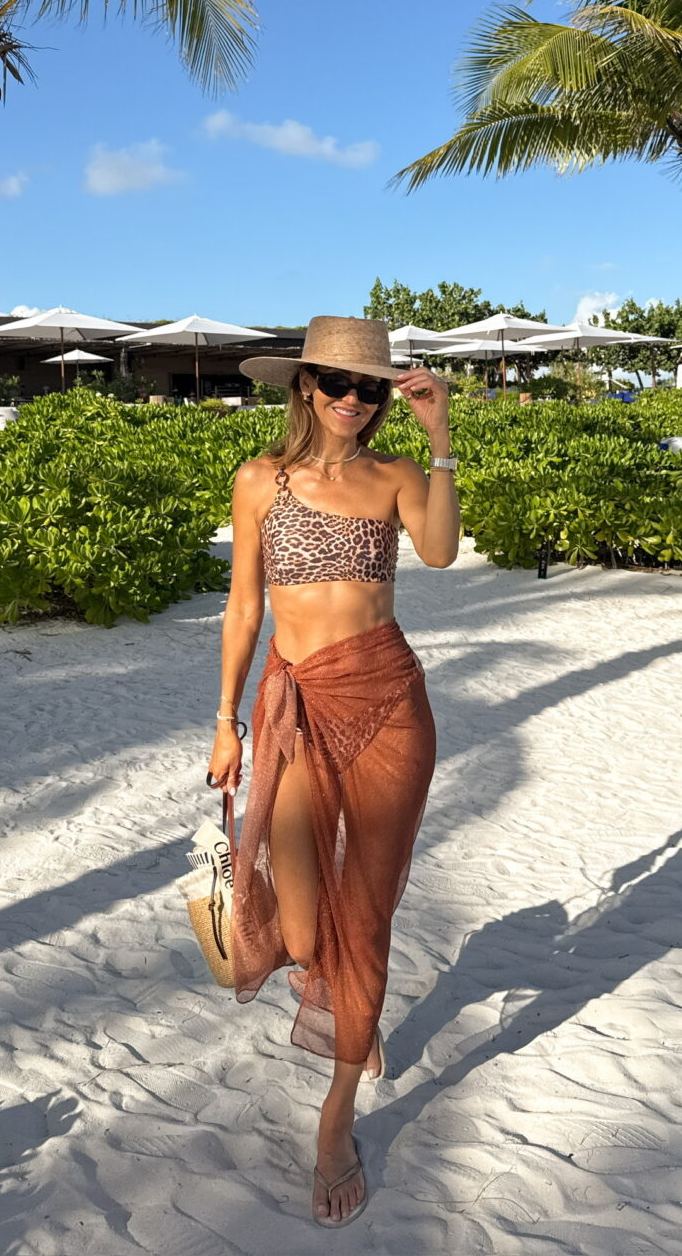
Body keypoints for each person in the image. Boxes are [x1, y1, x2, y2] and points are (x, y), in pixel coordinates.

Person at [206, 316, 459, 1228]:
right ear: (303, 386)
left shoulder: (394, 475)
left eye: (371, 389)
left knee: (368, 910)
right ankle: (349, 996)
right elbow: (242, 608)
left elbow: (437, 552)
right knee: (309, 924)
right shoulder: (259, 480)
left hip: (388, 702)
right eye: (336, 384)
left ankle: (337, 1117)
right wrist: (227, 720)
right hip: (293, 704)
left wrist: (438, 438)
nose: (353, 402)